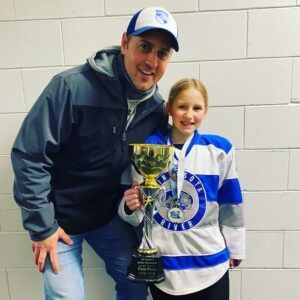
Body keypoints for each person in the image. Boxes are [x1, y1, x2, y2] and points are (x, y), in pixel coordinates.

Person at [10, 6, 179, 300]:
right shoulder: (71, 87)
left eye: (162, 53)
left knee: (137, 280)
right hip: (58, 220)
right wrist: (41, 228)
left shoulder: (155, 110)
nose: (151, 61)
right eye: (145, 47)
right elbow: (30, 156)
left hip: (107, 217)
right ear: (125, 42)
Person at [119, 78, 246, 299]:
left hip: (210, 265)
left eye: (197, 108)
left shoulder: (219, 150)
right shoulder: (148, 149)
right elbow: (139, 215)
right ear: (169, 108)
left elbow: (231, 203)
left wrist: (236, 247)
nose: (189, 115)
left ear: (206, 111)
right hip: (165, 268)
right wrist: (130, 207)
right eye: (182, 107)